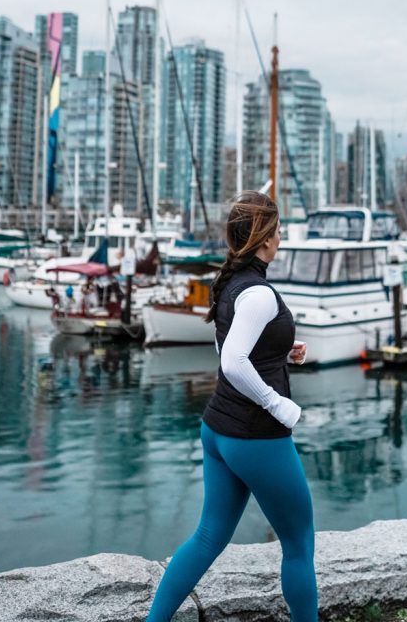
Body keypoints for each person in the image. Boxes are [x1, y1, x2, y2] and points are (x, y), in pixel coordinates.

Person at [145, 192, 317, 622]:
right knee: (298, 544)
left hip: (217, 431)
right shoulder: (258, 293)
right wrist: (278, 405)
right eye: (278, 231)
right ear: (263, 238)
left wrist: (280, 351)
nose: (281, 238)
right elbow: (233, 360)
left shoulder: (231, 284)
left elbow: (228, 342)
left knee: (208, 537)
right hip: (255, 437)